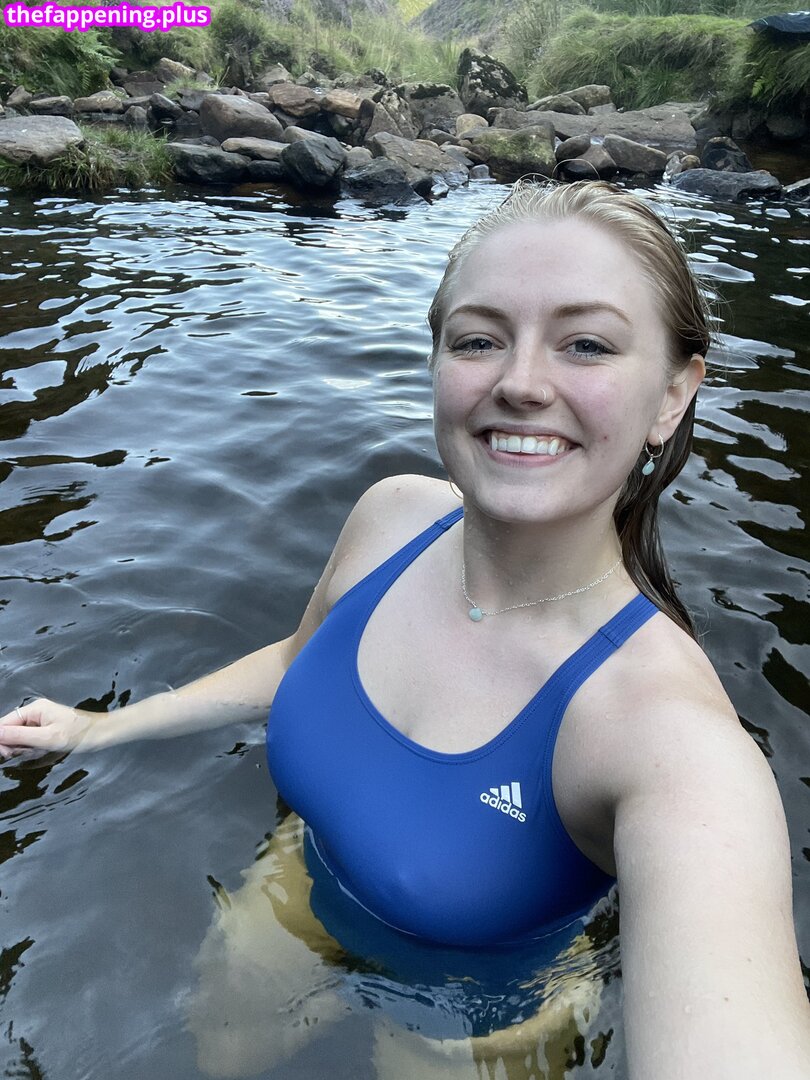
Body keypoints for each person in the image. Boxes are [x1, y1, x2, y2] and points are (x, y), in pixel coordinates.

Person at [1, 179, 808, 1079]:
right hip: (301, 886)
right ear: (437, 362)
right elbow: (298, 660)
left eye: (586, 344)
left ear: (673, 394)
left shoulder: (668, 737)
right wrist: (101, 728)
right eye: (478, 339)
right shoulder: (393, 517)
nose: (520, 383)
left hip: (477, 1014)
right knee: (218, 1058)